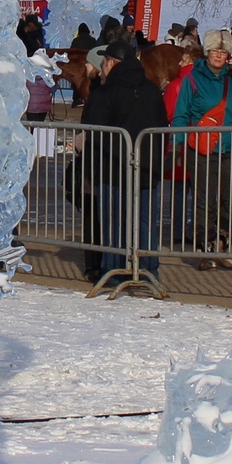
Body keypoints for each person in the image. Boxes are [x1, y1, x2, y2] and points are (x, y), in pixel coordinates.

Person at [80, 36, 166, 285]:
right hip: (147, 166)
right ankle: (149, 270)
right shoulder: (151, 89)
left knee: (114, 223)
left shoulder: (108, 91)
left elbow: (94, 128)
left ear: (111, 62)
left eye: (105, 61)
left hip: (113, 168)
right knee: (145, 222)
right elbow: (162, 125)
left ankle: (114, 270)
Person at [172, 31, 232, 268]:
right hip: (200, 149)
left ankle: (221, 242)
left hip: (229, 147)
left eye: (223, 52)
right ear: (207, 53)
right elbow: (181, 115)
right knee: (204, 201)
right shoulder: (192, 79)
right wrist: (177, 146)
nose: (219, 56)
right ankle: (204, 249)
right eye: (215, 51)